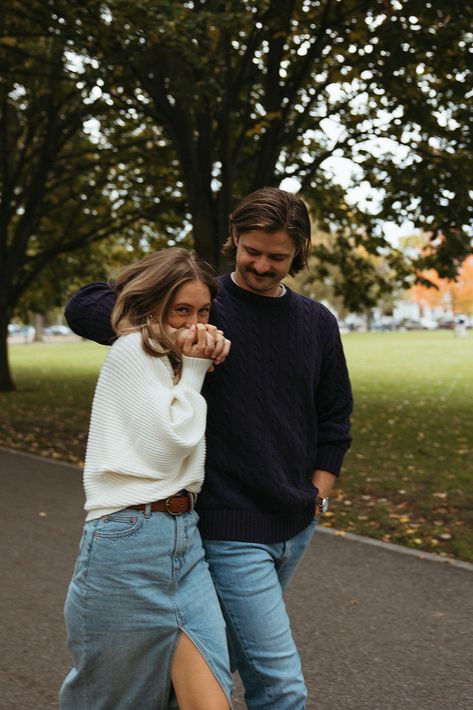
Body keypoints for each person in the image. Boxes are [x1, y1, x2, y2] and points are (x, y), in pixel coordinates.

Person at [65, 187, 353, 709]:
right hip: (227, 527)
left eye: (278, 256)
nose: (262, 265)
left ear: (299, 253)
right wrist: (172, 333)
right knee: (279, 683)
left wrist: (317, 496)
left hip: (294, 523)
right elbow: (84, 304)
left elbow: (334, 420)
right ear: (234, 241)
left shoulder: (317, 322)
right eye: (251, 250)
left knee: (207, 671)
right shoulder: (201, 305)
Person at [60, 248, 233, 710]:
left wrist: (191, 361)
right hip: (125, 542)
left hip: (184, 540)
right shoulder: (131, 351)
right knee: (110, 701)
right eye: (181, 310)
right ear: (154, 306)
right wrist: (195, 368)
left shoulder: (171, 357)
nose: (193, 323)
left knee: (211, 702)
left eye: (203, 311)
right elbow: (167, 445)